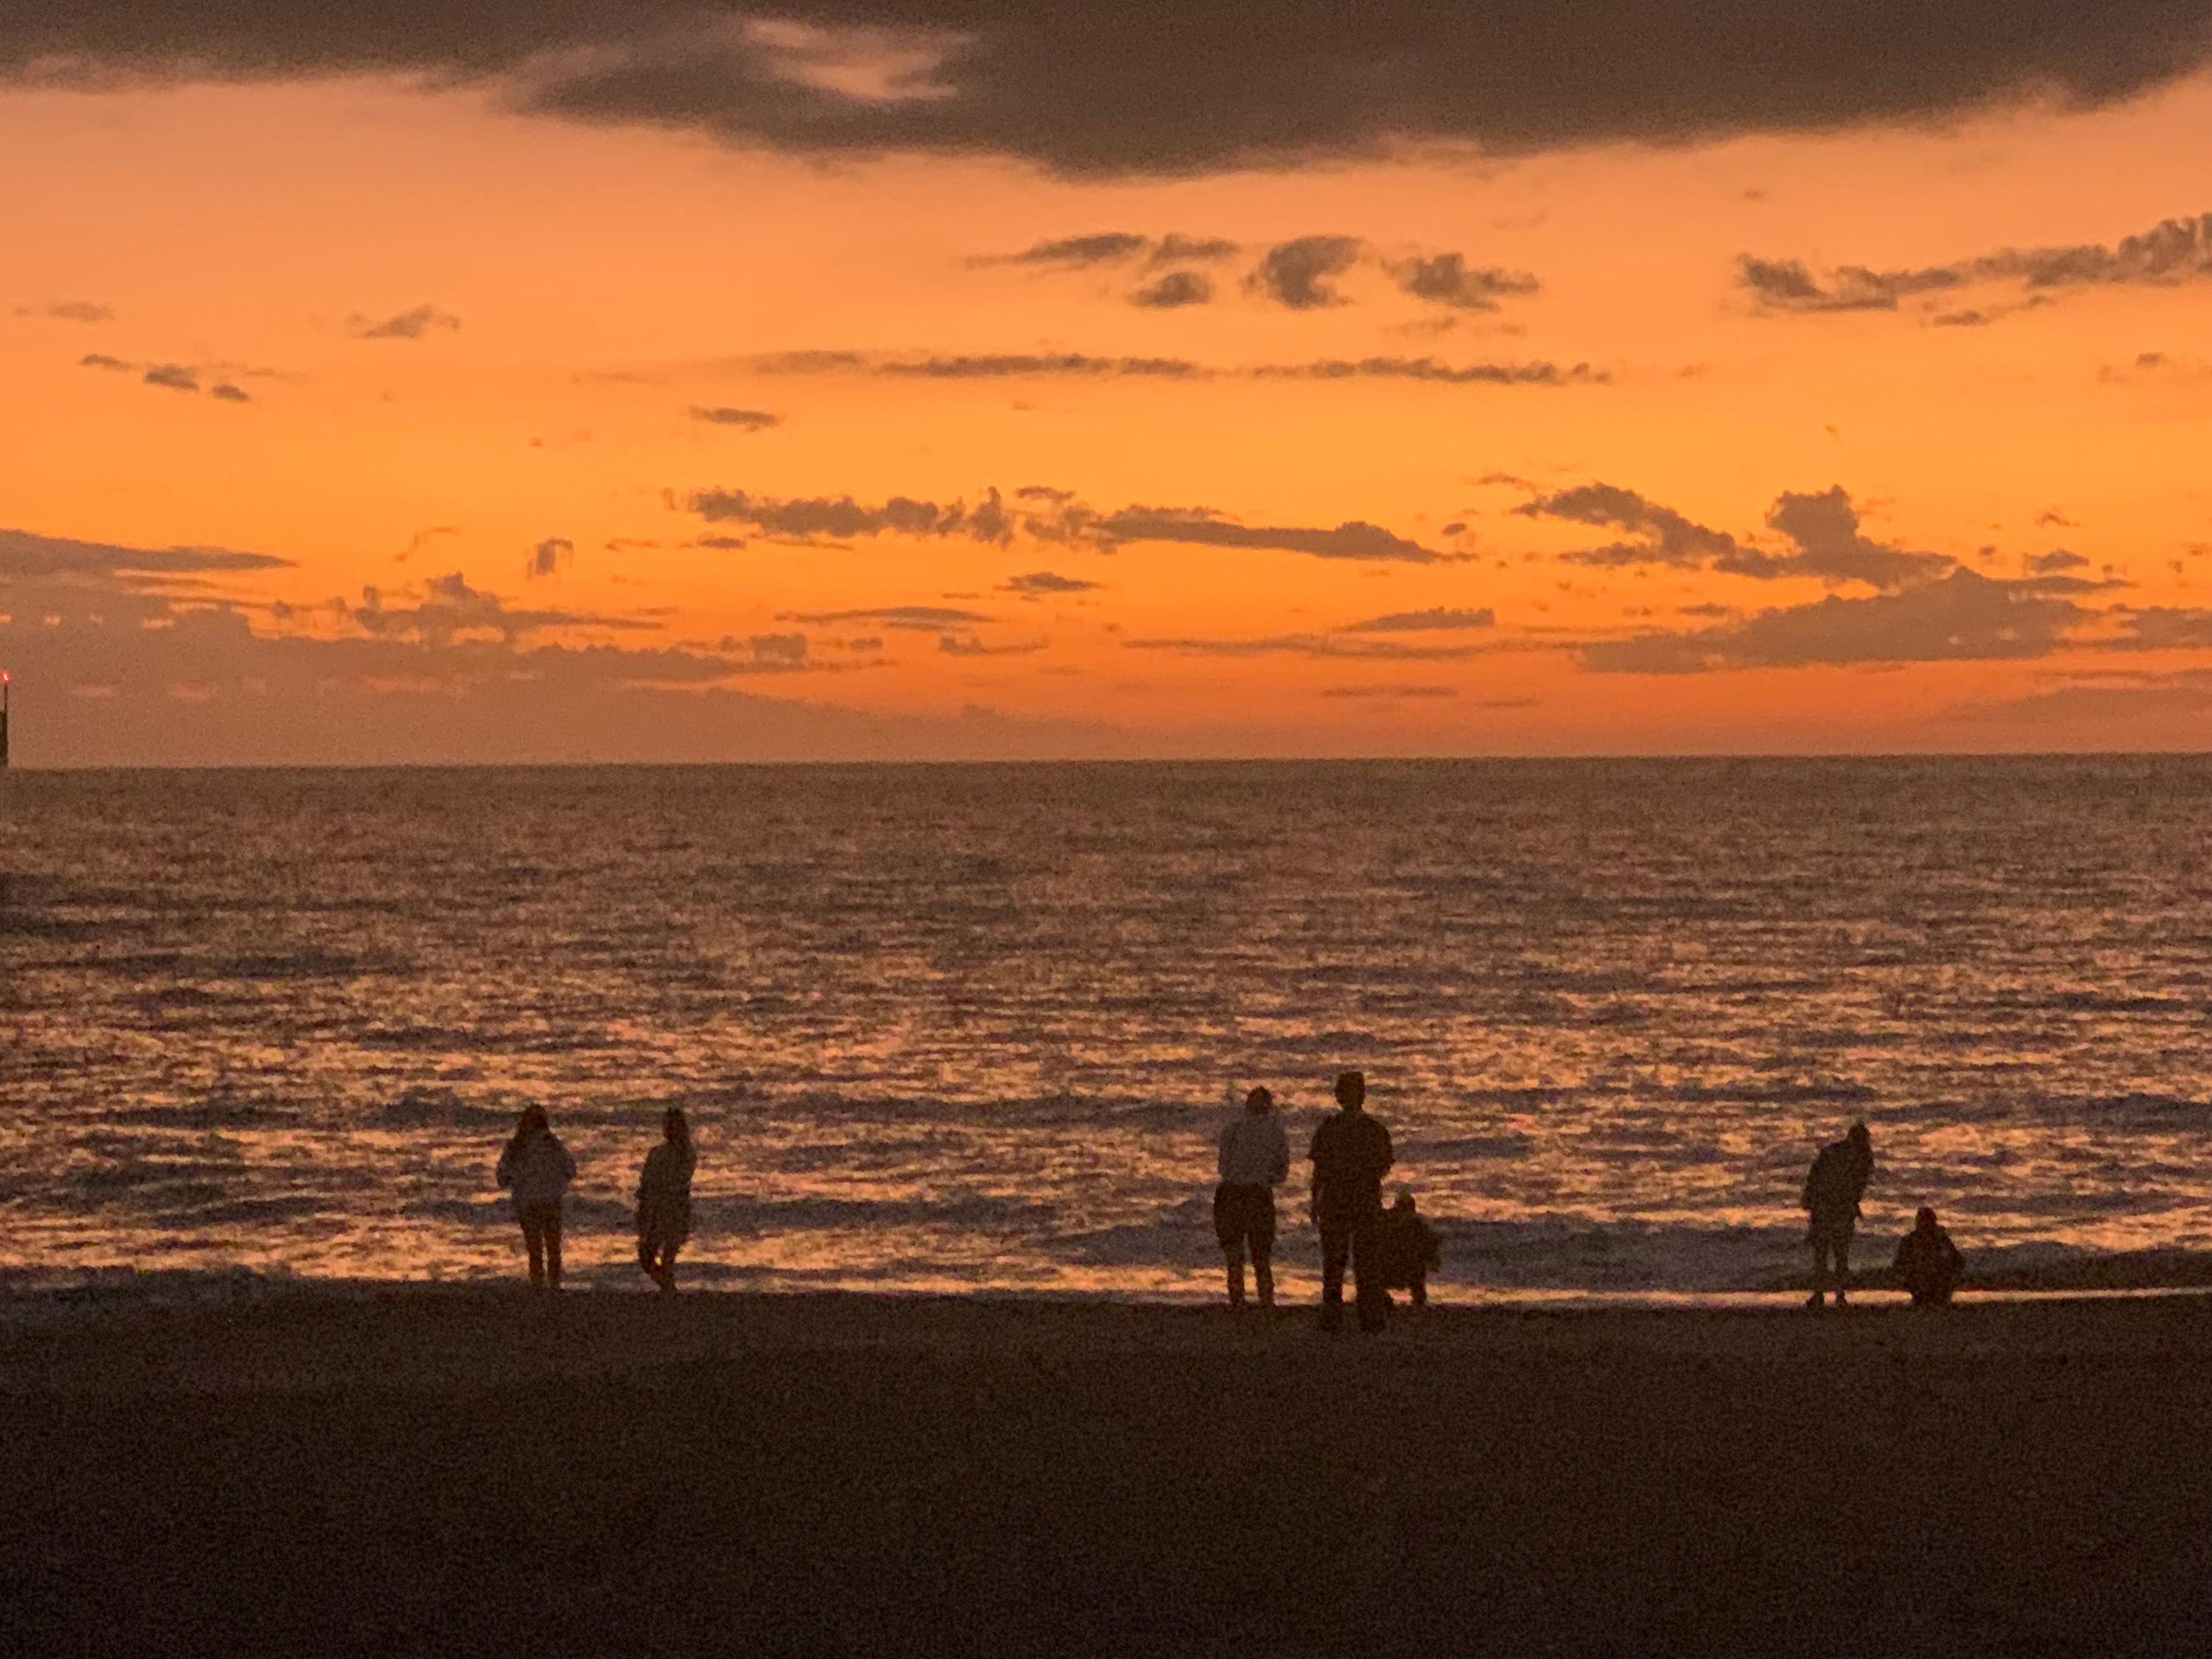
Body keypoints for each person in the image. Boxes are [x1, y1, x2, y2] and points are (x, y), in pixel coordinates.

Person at [1309, 1070, 1394, 1333]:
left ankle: (1338, 1317)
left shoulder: (1332, 1129)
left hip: (1345, 1200)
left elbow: (1319, 1170)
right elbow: (1383, 1167)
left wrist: (1316, 1199)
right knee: (1359, 1262)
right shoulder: (1372, 1130)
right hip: (1359, 1200)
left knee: (1341, 1262)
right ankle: (1365, 1317)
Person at [1214, 1086, 1291, 1309]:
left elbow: (1223, 1166)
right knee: (1258, 1253)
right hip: (1252, 1193)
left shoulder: (1235, 1129)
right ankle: (1262, 1299)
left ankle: (1241, 1298)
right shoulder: (1273, 1132)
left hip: (1238, 1192)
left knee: (1240, 1252)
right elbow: (1281, 1171)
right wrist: (1266, 1179)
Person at [496, 1104, 577, 1290]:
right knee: (553, 1248)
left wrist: (519, 1180)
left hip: (528, 1203)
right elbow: (571, 1170)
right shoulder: (553, 1144)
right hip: (550, 1201)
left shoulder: (516, 1147)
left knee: (535, 1250)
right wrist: (556, 1181)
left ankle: (538, 1287)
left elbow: (502, 1178)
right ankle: (554, 1286)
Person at [1801, 1120, 1874, 1309]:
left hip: (1825, 1207)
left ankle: (1821, 1294)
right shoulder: (1863, 1157)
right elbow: (1858, 1187)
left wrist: (1809, 1198)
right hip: (1837, 1209)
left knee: (1823, 1253)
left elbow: (1814, 1177)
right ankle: (1838, 1294)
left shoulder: (1833, 1153)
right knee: (1839, 1254)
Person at [637, 1107, 696, 1293]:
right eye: (666, 1125)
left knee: (668, 1258)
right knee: (646, 1256)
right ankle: (669, 1289)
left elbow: (681, 1179)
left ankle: (669, 1294)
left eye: (672, 1125)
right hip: (654, 1209)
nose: (668, 1129)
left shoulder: (685, 1153)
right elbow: (646, 1180)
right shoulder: (657, 1152)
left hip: (675, 1208)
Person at [1377, 1192, 1441, 1310]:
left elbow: (1430, 1245)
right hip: (1400, 1268)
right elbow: (1430, 1245)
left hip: (1397, 1268)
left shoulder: (1388, 1221)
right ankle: (1417, 1304)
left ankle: (1416, 1304)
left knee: (1416, 1281)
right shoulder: (1418, 1224)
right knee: (1417, 1281)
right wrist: (1433, 1262)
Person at [1893, 1207, 1965, 1307]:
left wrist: (1951, 1277)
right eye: (1922, 1221)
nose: (1925, 1225)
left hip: (1940, 1285)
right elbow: (1899, 1264)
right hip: (1918, 1284)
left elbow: (1958, 1261)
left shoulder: (1941, 1239)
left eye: (1927, 1222)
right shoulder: (1911, 1241)